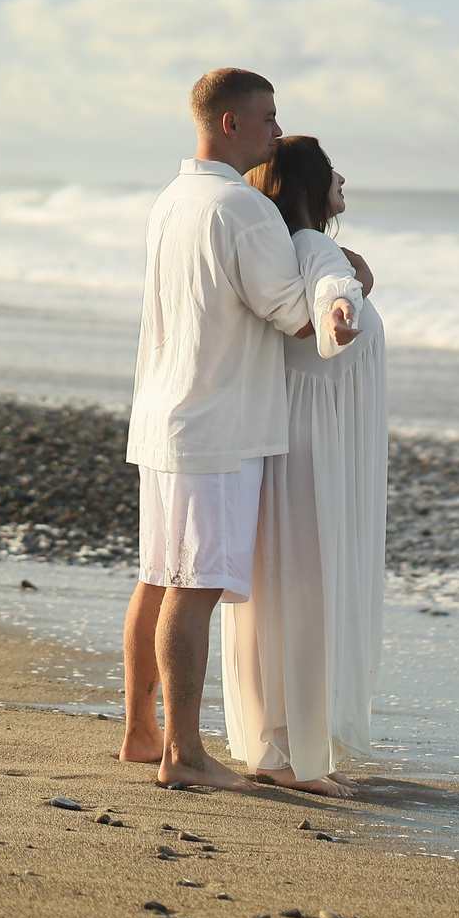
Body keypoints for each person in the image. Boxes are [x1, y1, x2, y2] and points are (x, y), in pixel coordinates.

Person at [122, 69, 361, 792]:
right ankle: (185, 754)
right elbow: (294, 316)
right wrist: (346, 275)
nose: (277, 134)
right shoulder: (241, 208)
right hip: (220, 424)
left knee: (159, 579)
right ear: (230, 124)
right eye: (267, 119)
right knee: (193, 587)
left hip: (165, 413)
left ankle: (141, 731)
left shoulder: (173, 199)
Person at [221, 137, 387, 799]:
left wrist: (347, 290)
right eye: (332, 169)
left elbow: (333, 281)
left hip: (282, 433)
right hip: (309, 444)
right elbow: (332, 285)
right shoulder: (315, 248)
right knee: (305, 596)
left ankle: (279, 745)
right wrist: (342, 307)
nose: (343, 176)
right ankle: (294, 756)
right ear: (308, 185)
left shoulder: (279, 251)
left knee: (274, 595)